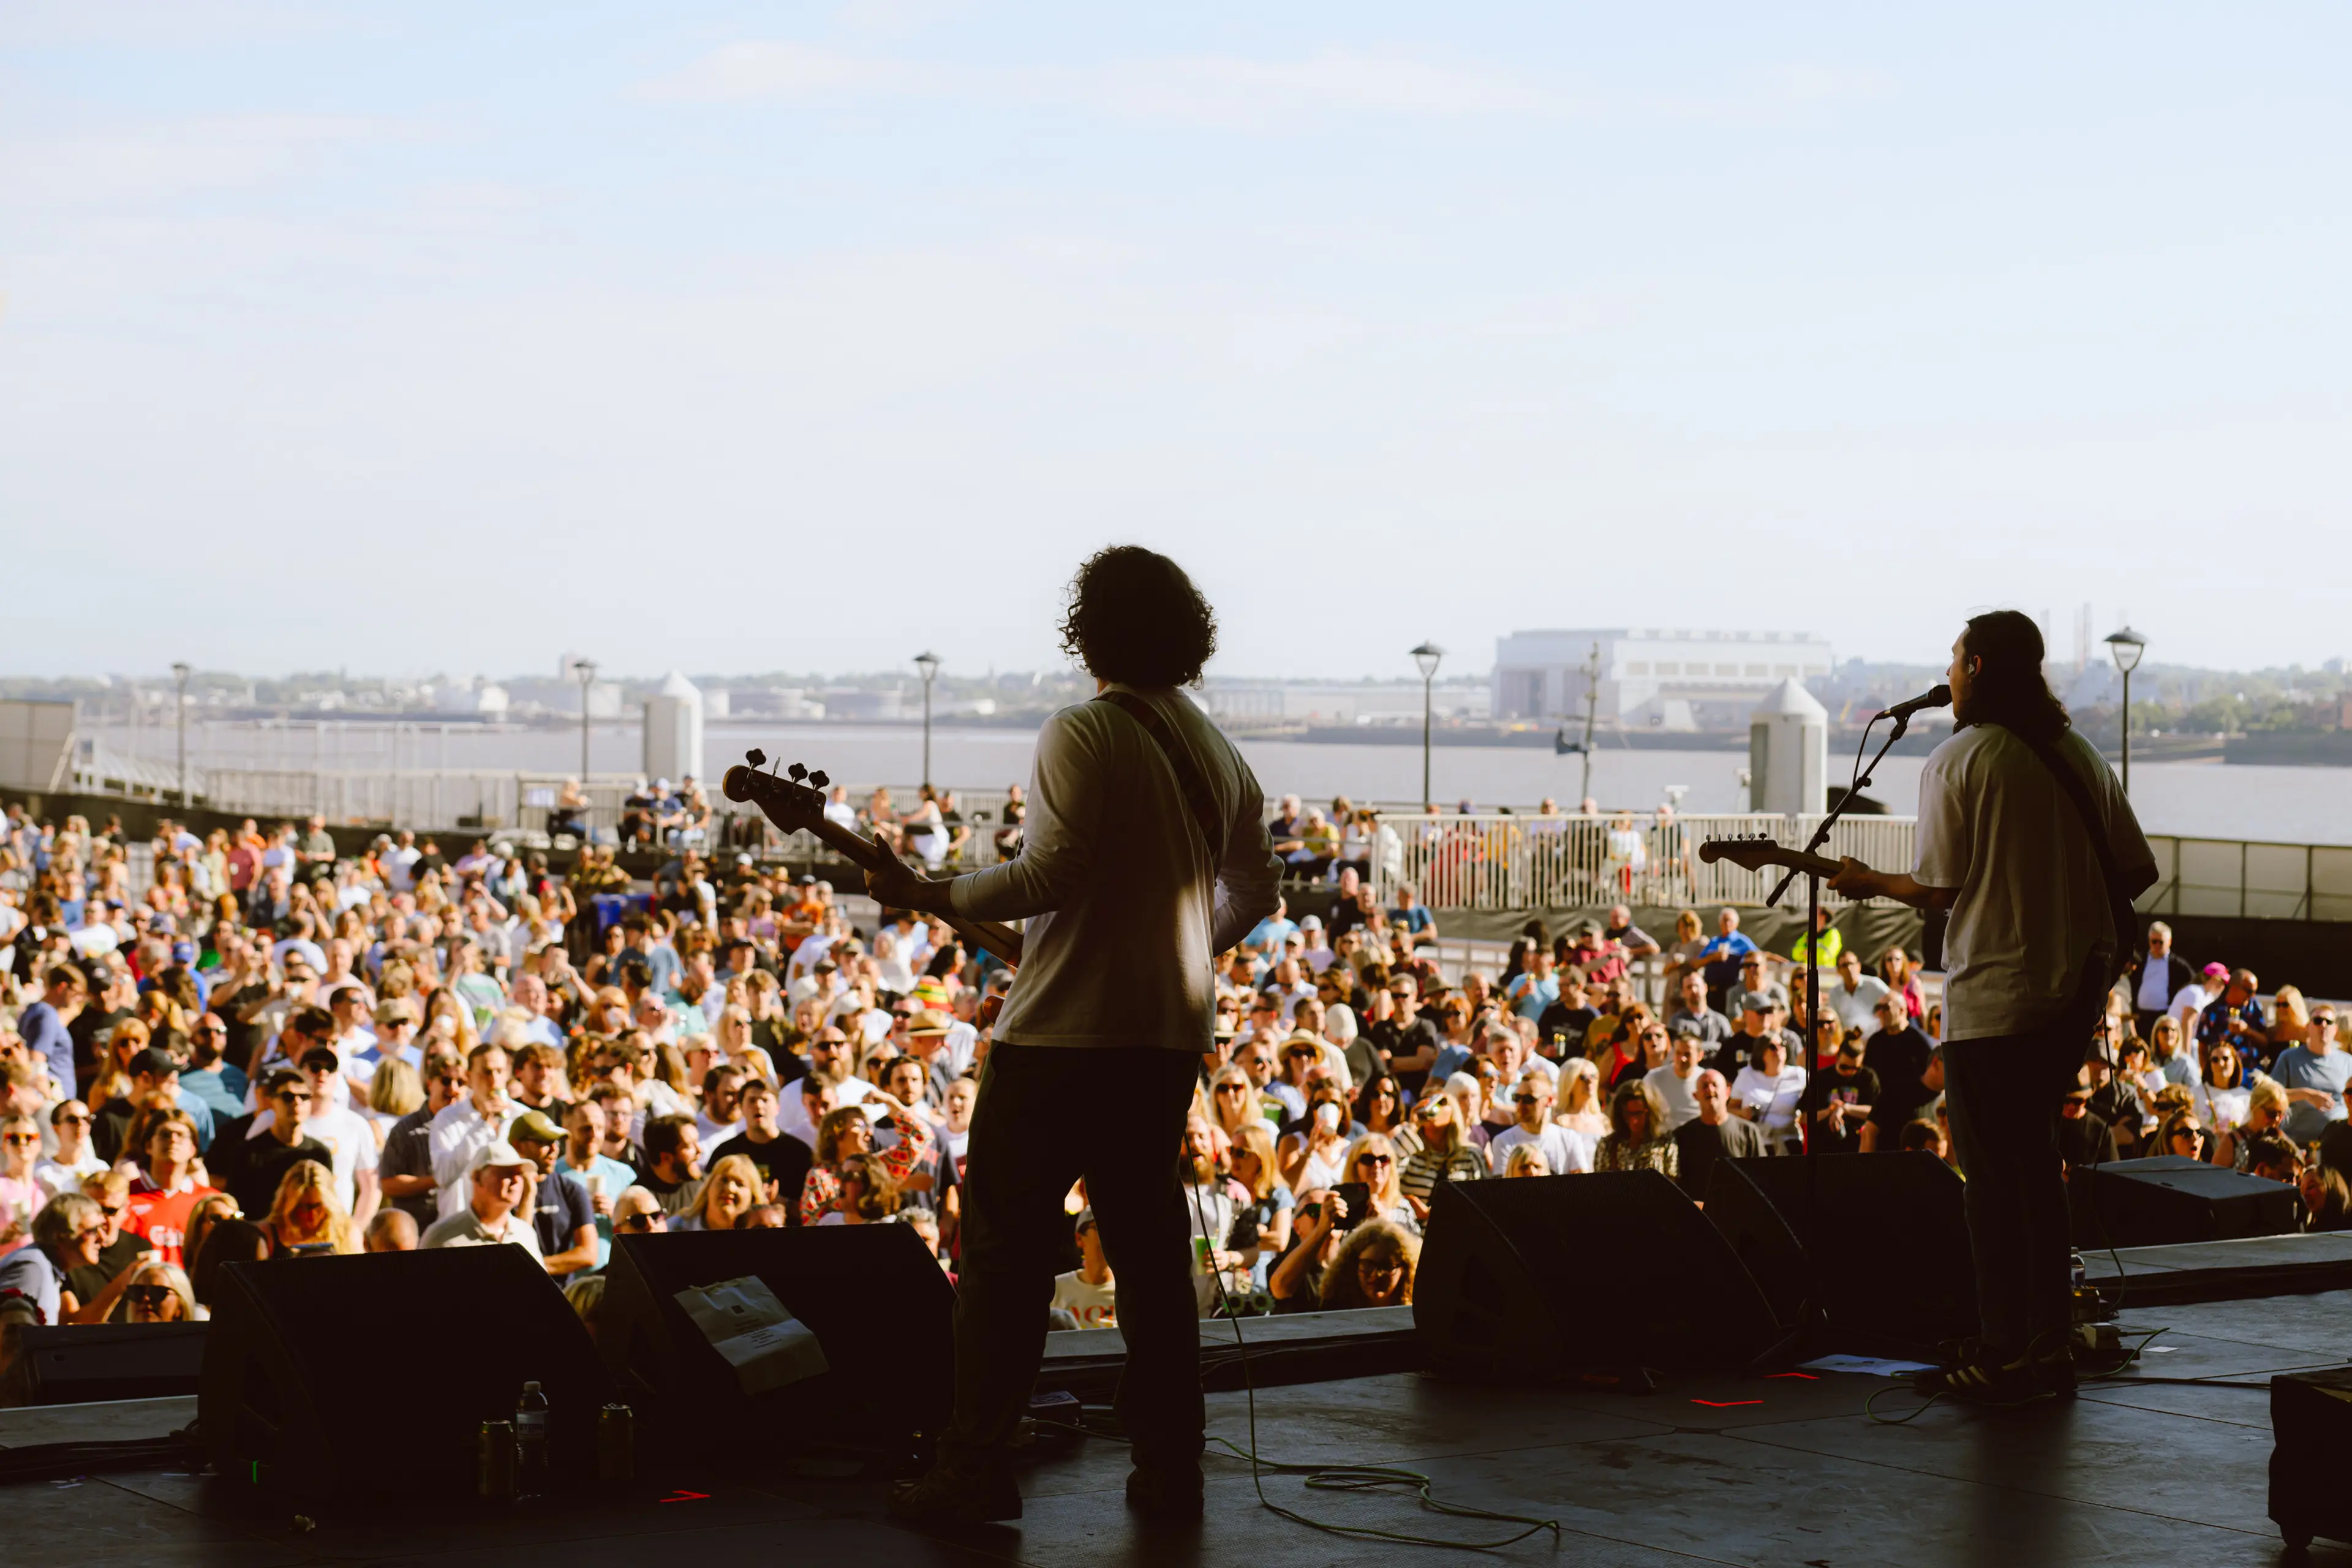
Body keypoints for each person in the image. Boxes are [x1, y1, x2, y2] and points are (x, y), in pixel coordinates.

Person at [868, 548, 1283, 1530]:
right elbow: (1257, 890)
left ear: (1087, 630)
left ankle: (975, 1470)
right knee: (1149, 1255)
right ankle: (1171, 1469)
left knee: (1005, 1264)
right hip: (1165, 1039)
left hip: (1058, 1038)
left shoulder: (1082, 731)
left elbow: (1050, 873)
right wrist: (1179, 946)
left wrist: (935, 892)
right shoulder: (1220, 751)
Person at [1831, 609, 2154, 1403]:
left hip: (1994, 997)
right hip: (2073, 994)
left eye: (1954, 659)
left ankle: (2006, 1348)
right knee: (2036, 1174)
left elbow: (1939, 888)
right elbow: (2135, 870)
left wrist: (1868, 883)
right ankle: (2047, 1342)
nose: (1947, 674)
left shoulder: (1958, 759)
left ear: (1976, 667)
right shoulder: (2076, 753)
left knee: (1993, 1185)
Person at [510, 1110, 598, 1272]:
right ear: (518, 1145)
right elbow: (516, 1245)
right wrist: (528, 1194)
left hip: (562, 1292)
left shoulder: (571, 1190)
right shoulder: (502, 1190)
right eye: (544, 1142)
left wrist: (534, 1266)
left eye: (556, 1142)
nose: (554, 1149)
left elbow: (588, 1254)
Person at [421, 1141, 543, 1257]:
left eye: (519, 1174)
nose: (516, 1181)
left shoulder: (525, 1234)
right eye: (507, 1173)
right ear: (477, 1178)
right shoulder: (442, 1237)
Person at [1675, 1069, 1766, 1201]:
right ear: (1695, 1096)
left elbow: (1761, 1177)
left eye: (1714, 1085)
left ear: (1728, 1092)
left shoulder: (1749, 1132)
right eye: (1704, 1086)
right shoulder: (1682, 1135)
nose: (1710, 1089)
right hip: (1698, 1215)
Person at [2271, 1005, 2351, 1147]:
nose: (2324, 1025)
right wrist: (2306, 1095)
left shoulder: (2348, 1062)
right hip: (2297, 1142)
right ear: (2308, 1027)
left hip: (2338, 1143)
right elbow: (2271, 1095)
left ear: (2335, 1030)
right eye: (2318, 1021)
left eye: (2329, 1022)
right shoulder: (2289, 1057)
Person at [1487, 1071, 1590, 1175]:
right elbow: (1503, 1186)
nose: (1520, 1104)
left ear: (1549, 1101)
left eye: (1529, 1099)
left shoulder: (1569, 1139)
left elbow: (1582, 1183)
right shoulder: (1505, 1141)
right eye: (1517, 1098)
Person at [2125, 922, 2195, 1041]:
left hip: (2165, 1017)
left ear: (2170, 942)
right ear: (2149, 941)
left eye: (2161, 942)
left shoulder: (2177, 964)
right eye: (2154, 942)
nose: (2157, 946)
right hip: (2141, 1018)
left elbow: (2193, 982)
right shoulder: (2140, 961)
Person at [1594, 1080, 1677, 1177]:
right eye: (1628, 1114)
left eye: (1639, 1113)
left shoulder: (1665, 1142)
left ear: (1651, 1112)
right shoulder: (1608, 1145)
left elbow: (1672, 1182)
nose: (1634, 1121)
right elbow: (1599, 1182)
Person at [1050, 1207, 1117, 1328]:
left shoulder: (1129, 1291)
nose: (1110, 1234)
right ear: (1079, 1239)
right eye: (1100, 1227)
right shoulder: (1056, 1289)